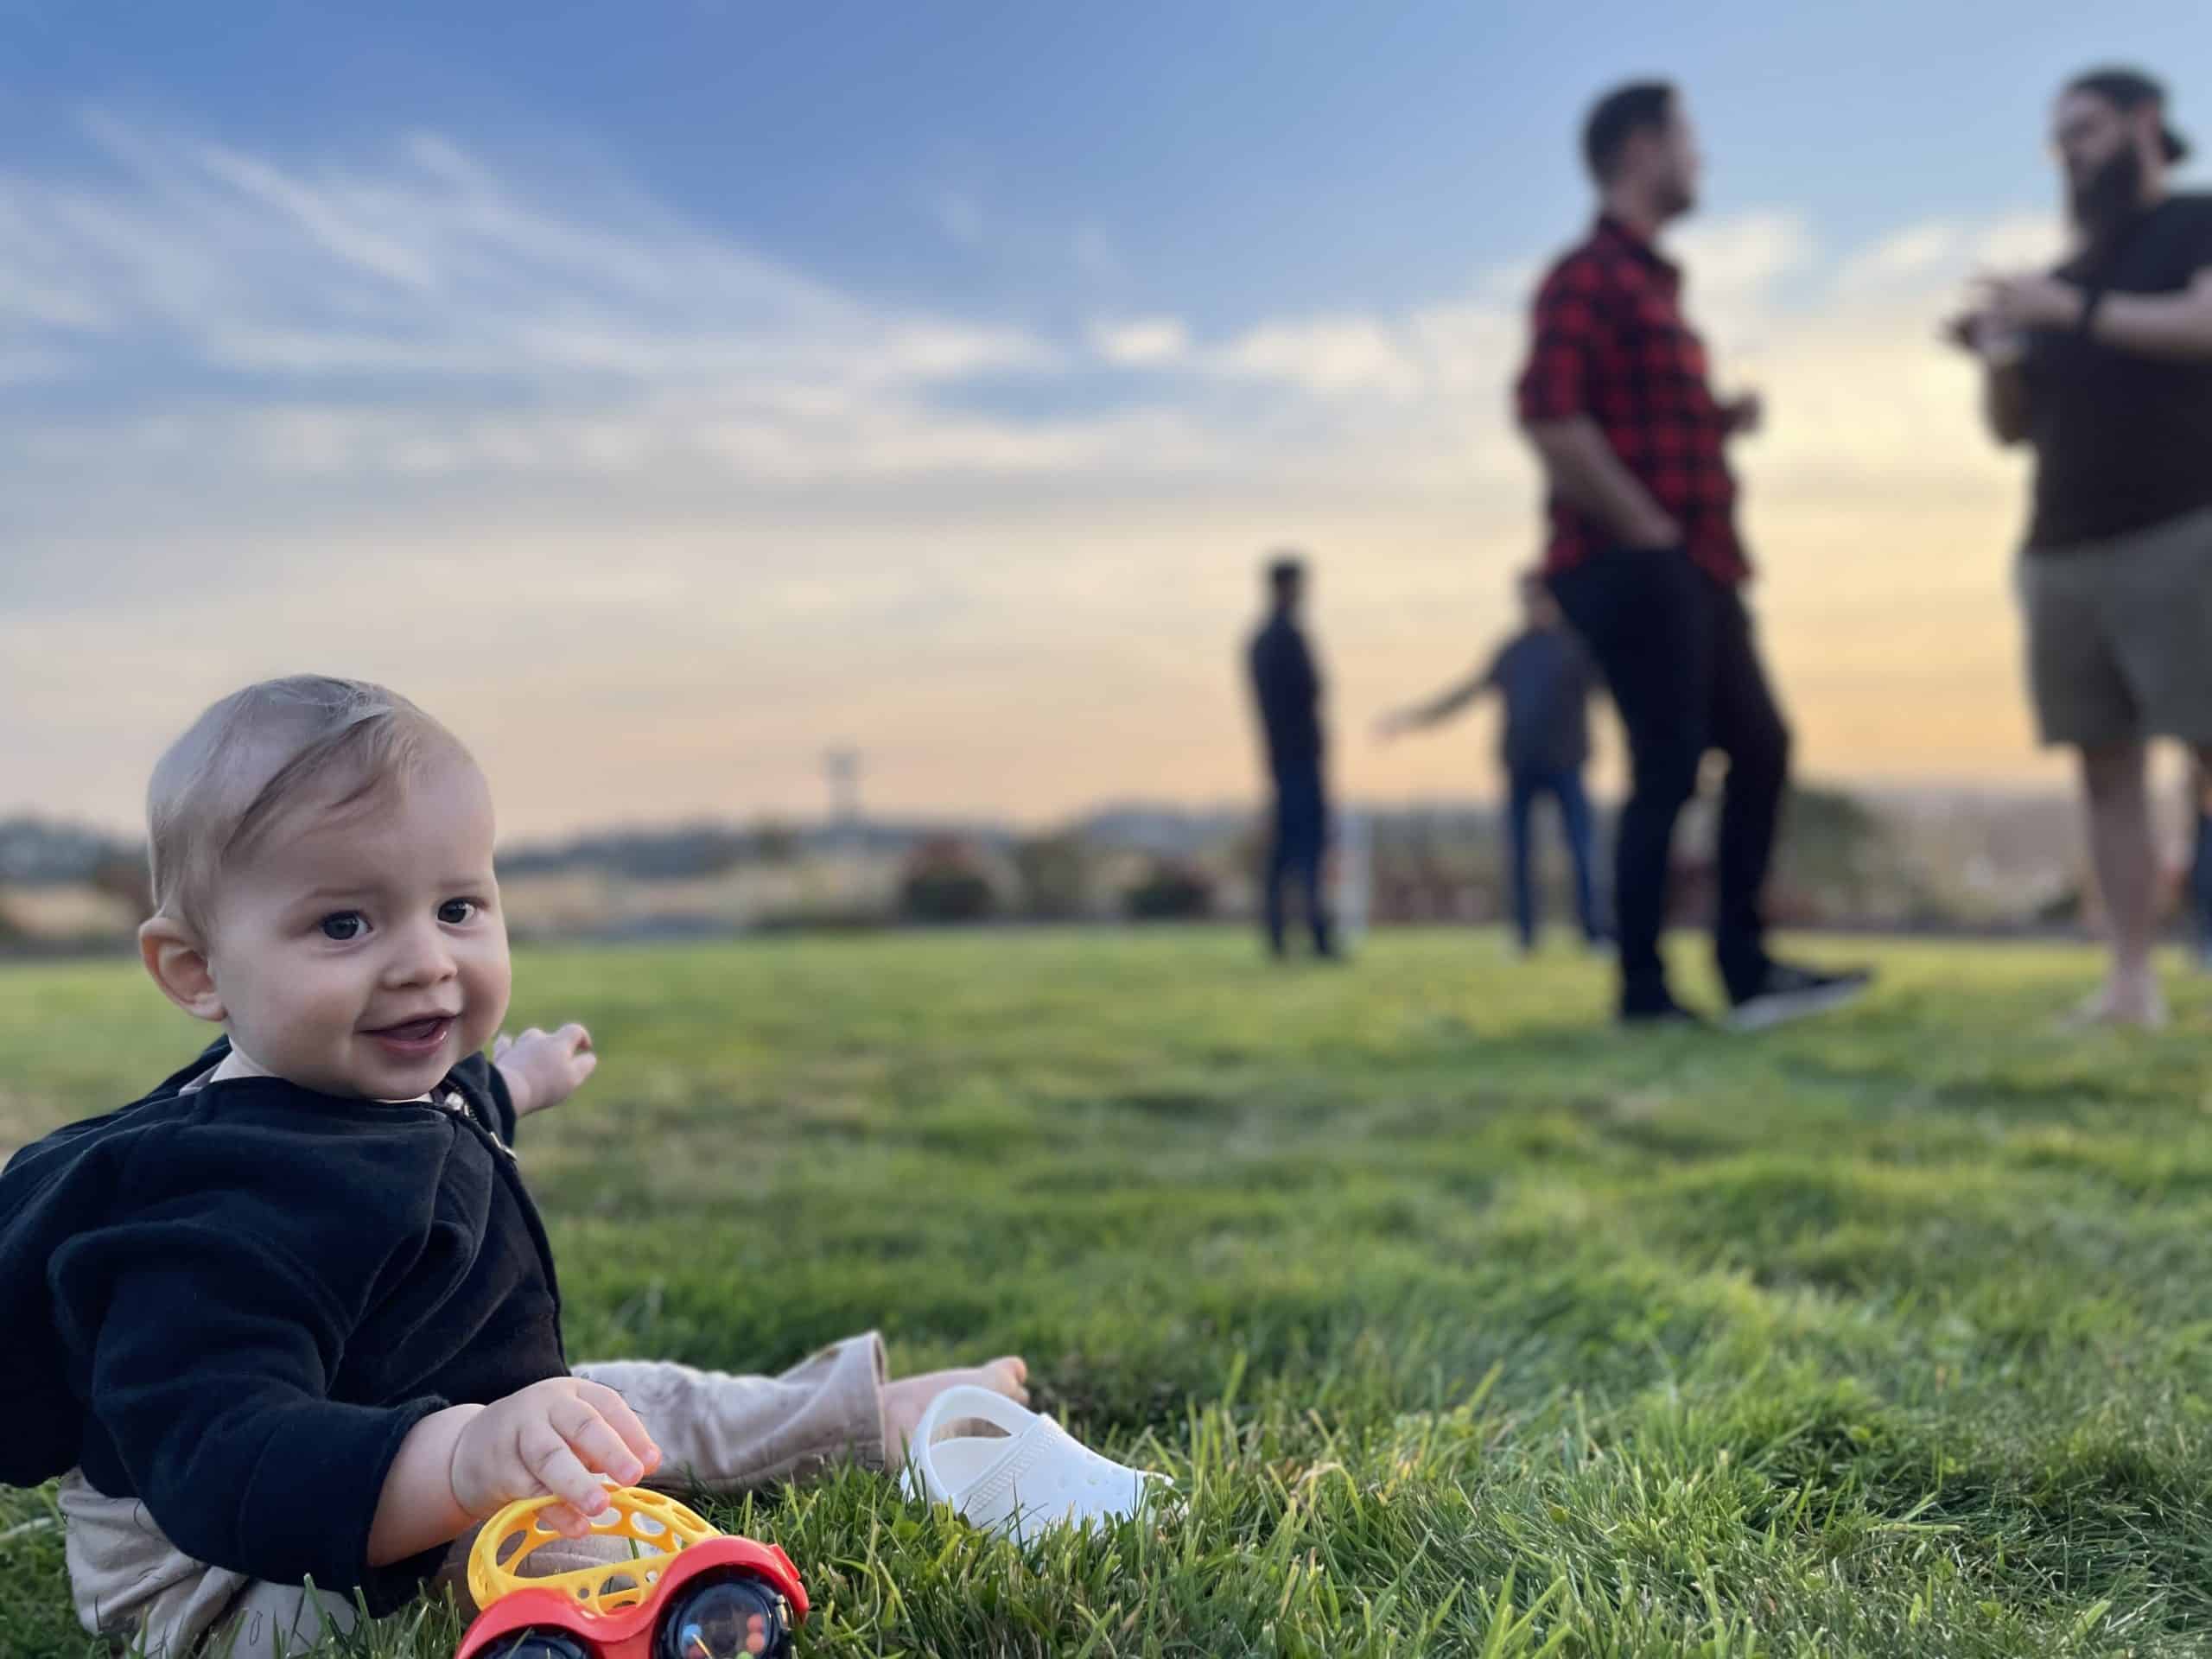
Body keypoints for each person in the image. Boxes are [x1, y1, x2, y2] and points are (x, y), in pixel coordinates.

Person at [0, 676, 1028, 1659]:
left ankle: (868, 1417)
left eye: (456, 909)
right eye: (345, 924)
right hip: (233, 1579)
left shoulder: (358, 1082)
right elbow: (229, 1462)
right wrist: (458, 1460)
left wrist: (513, 1083)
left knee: (612, 1405)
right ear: (197, 970)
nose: (426, 962)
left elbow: (435, 1122)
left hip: (398, 1421)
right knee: (547, 1537)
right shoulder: (214, 1210)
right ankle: (660, 1596)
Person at [1514, 80, 1869, 1028]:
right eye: (1687, 138)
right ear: (1641, 148)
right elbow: (1548, 414)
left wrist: (1716, 422)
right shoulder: (1588, 275)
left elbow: (1629, 422)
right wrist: (1643, 528)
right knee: (1667, 764)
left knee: (1759, 746)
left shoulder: (1655, 287)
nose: (1700, 157)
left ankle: (1747, 969)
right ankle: (1643, 990)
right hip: (1637, 563)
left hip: (1701, 561)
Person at [1952, 67, 2212, 1028]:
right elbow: (2009, 429)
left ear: (2144, 122)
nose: (2070, 151)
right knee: (2105, 768)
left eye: (2086, 129)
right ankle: (2130, 984)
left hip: (2182, 529)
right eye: (2059, 137)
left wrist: (2073, 314)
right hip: (2061, 546)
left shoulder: (2194, 223)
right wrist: (1998, 351)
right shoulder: (2058, 276)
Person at [1377, 569, 1606, 952]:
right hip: (1521, 765)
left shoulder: (1576, 648)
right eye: (1528, 598)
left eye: (1540, 597)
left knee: (1582, 851)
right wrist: (1411, 719)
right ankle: (1524, 936)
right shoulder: (1512, 652)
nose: (1534, 606)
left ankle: (1594, 933)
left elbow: (1612, 688)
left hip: (1567, 764)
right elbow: (1464, 695)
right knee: (1519, 855)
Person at [1247, 553, 1338, 958]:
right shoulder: (1283, 638)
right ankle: (1313, 935)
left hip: (1283, 756)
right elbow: (1310, 691)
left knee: (1287, 851)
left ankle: (1280, 935)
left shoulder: (1262, 640)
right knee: (1305, 849)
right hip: (1297, 756)